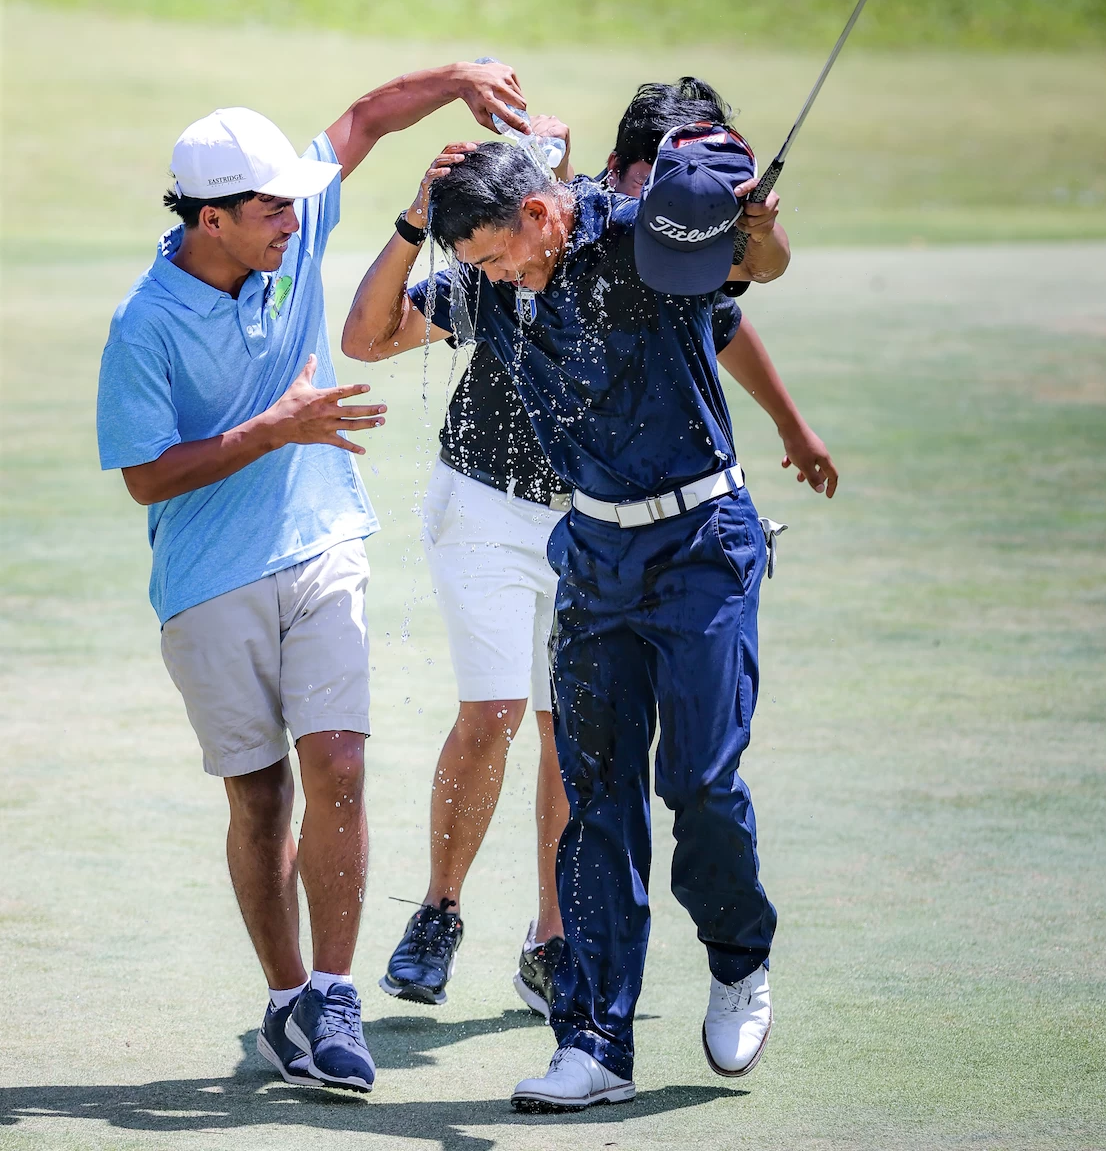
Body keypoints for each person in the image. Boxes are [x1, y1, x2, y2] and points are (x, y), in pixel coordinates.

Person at [343, 116, 834, 1110]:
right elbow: (373, 332)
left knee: (694, 781)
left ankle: (738, 955)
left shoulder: (639, 239)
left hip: (702, 544)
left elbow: (753, 265)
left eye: (499, 255)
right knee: (595, 796)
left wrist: (762, 230)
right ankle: (597, 1040)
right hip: (596, 557)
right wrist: (410, 219)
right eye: (479, 265)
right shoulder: (495, 278)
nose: (500, 277)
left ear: (540, 212)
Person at [95, 58, 527, 1093]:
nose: (295, 220)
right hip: (205, 582)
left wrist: (460, 76)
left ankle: (336, 994)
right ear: (211, 221)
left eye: (295, 202)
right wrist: (275, 428)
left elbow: (369, 116)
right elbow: (147, 478)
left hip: (322, 542)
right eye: (271, 210)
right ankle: (288, 995)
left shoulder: (290, 221)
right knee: (260, 799)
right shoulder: (142, 326)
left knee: (337, 764)